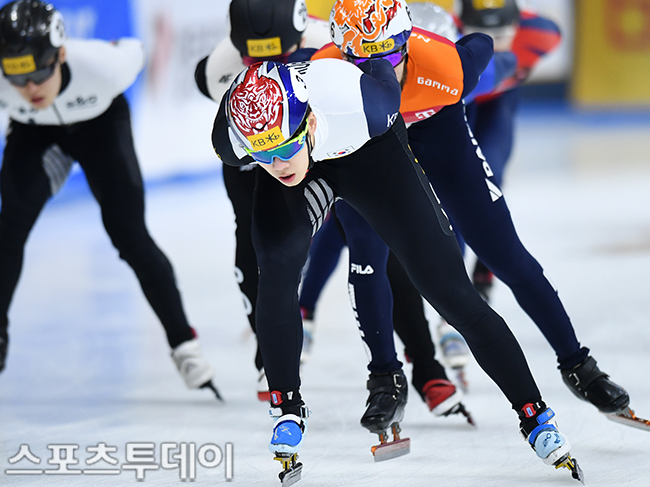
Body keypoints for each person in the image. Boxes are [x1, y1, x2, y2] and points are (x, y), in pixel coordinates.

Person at [213, 51, 581, 487]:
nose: (277, 164)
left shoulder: (365, 102)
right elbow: (260, 175)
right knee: (274, 269)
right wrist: (275, 162)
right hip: (312, 164)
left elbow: (383, 70)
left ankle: (534, 415)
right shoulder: (232, 137)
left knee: (452, 294)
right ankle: (286, 406)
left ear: (308, 122)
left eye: (284, 148)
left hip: (367, 152)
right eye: (263, 154)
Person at [312, 0, 631, 423]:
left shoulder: (446, 65)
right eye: (362, 62)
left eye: (389, 57)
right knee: (366, 254)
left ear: (408, 43)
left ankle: (579, 366)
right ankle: (385, 377)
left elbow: (484, 46)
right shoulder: (322, 71)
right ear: (341, 54)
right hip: (374, 149)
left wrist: (510, 64)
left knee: (506, 255)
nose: (379, 72)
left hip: (439, 138)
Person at [0, 0, 219, 398]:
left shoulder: (106, 67)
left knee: (129, 235)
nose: (30, 87)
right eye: (17, 76)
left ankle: (184, 343)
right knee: (9, 230)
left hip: (100, 126)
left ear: (61, 55)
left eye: (39, 72)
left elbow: (139, 48)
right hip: (35, 134)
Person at [194, 0, 330, 400]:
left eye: (280, 55)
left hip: (314, 138)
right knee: (250, 233)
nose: (266, 67)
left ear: (301, 37)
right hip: (256, 146)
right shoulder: (220, 68)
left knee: (351, 225)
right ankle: (266, 349)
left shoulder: (328, 45)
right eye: (253, 57)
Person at [457, 0, 560, 301]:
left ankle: (485, 266)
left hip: (498, 104)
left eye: (501, 35)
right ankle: (456, 281)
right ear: (461, 27)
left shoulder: (543, 34)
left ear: (519, 25)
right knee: (456, 183)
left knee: (491, 176)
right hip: (461, 103)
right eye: (478, 34)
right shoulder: (445, 32)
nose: (491, 45)